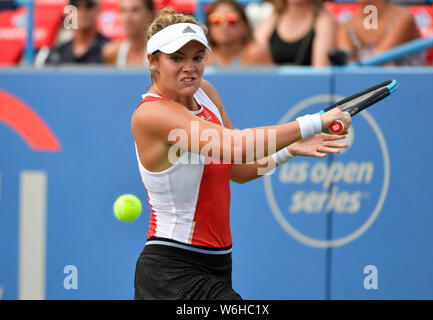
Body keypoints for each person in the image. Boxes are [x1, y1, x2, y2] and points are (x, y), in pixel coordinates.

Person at [131, 7, 351, 300]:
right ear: (153, 61)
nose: (190, 67)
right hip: (171, 269)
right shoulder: (152, 114)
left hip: (217, 264)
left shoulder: (205, 92)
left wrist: (288, 150)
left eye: (197, 57)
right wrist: (311, 122)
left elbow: (239, 167)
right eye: (176, 58)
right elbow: (237, 145)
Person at [335, 0, 425, 65]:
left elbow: (378, 60)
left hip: (408, 86)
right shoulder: (346, 26)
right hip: (366, 86)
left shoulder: (403, 17)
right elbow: (346, 66)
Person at [254, 0, 337, 66]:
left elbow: (321, 69)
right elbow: (256, 60)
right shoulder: (270, 21)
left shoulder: (324, 21)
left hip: (309, 85)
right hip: (274, 84)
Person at [205, 0, 272, 67]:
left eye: (232, 20)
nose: (224, 25)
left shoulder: (256, 54)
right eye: (216, 20)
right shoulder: (202, 56)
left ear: (244, 25)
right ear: (209, 26)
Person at [44, 0, 110, 65]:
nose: (81, 11)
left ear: (99, 9)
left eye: (88, 5)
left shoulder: (111, 50)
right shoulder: (56, 54)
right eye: (74, 5)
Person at [102, 0, 155, 68]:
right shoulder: (111, 53)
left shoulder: (159, 53)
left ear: (150, 15)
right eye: (123, 10)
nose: (127, 18)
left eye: (135, 10)